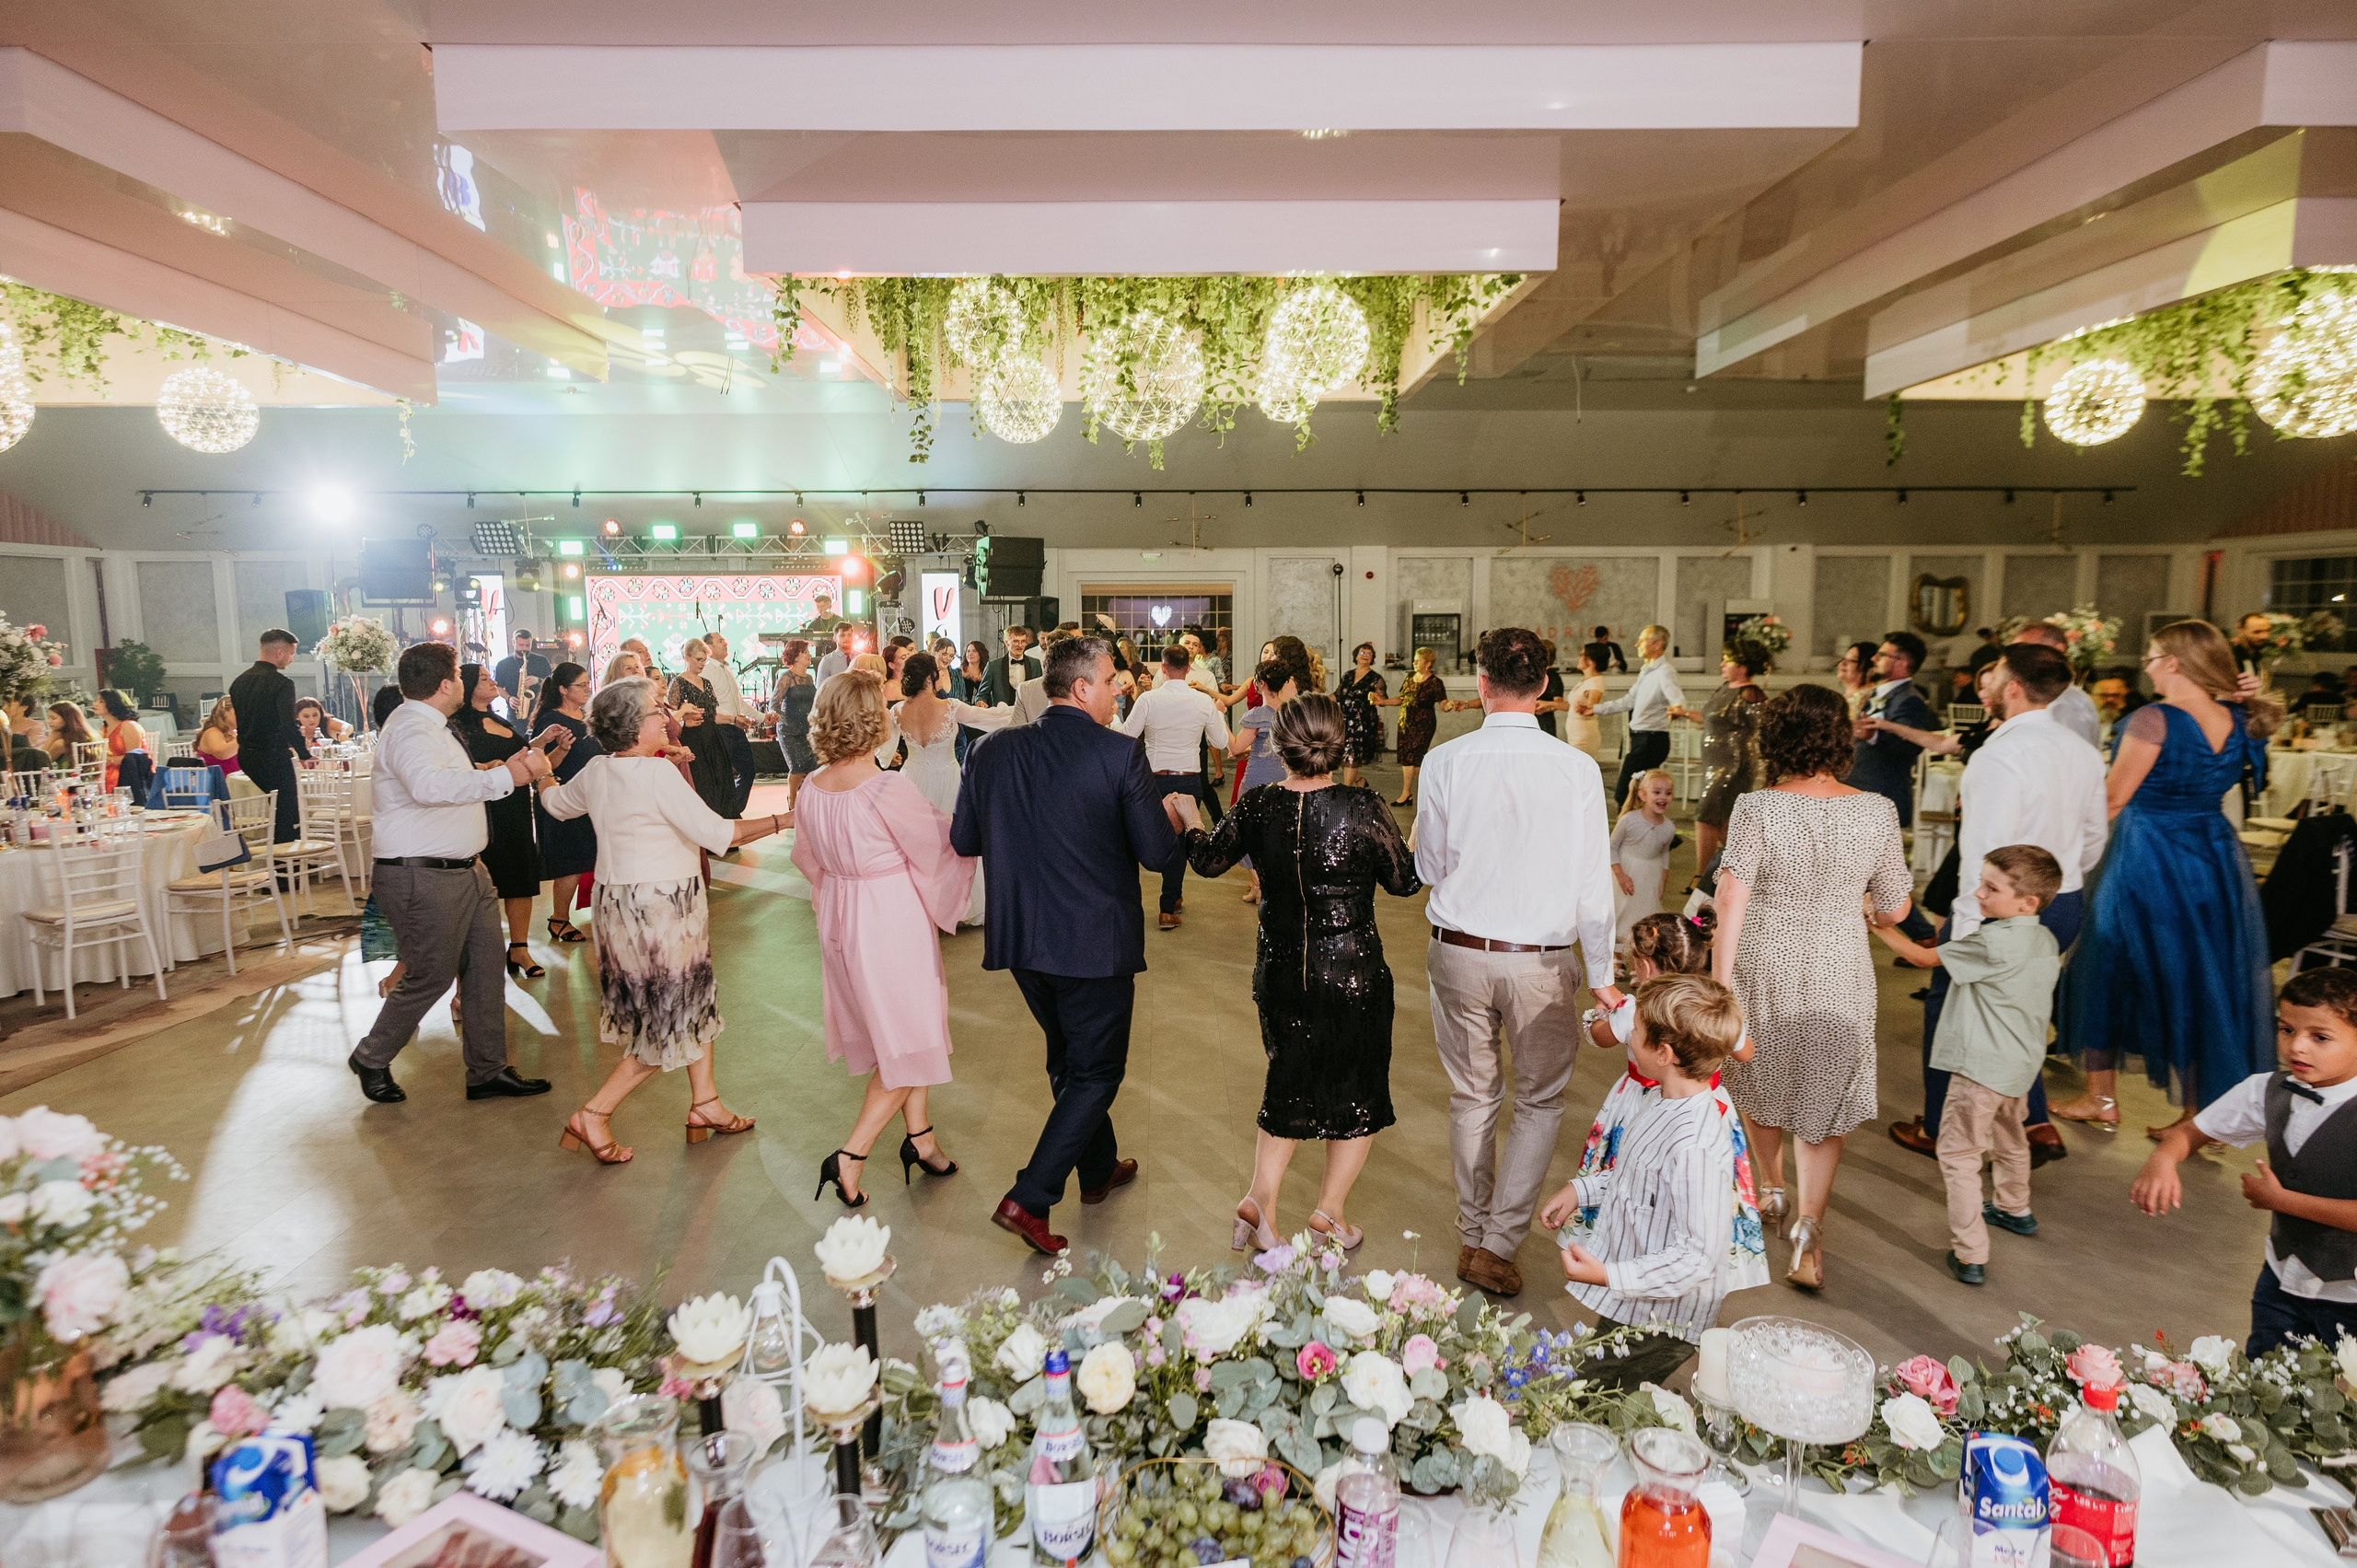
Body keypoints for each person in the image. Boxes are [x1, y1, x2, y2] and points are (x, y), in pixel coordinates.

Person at [951, 634, 1185, 1256]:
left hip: (1023, 937)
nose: (1119, 690)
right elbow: (1157, 853)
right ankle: (1030, 1195)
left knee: (1067, 1058)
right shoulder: (1117, 754)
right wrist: (1179, 819)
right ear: (1081, 687)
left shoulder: (991, 751)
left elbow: (964, 837)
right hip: (1093, 943)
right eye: (1112, 681)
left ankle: (1099, 1166)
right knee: (1097, 1071)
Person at [1169, 694, 1420, 1251]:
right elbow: (1404, 882)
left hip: (1282, 971)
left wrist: (1188, 820)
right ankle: (1330, 1212)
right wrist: (1418, 834)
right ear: (1339, 746)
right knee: (1357, 1090)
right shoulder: (1364, 805)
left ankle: (1261, 1201)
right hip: (1353, 971)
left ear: (1278, 745)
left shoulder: (1259, 804)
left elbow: (1208, 860)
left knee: (1287, 1078)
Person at [1417, 627, 1621, 1297]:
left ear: (1481, 683)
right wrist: (1604, 977)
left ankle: (1473, 1233)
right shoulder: (1576, 769)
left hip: (1460, 954)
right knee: (1538, 1100)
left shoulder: (1446, 761)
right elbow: (1594, 886)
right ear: (1545, 688)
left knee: (1473, 1095)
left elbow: (1428, 865)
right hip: (1542, 960)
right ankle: (1497, 1245)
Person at [1713, 682, 1912, 1292]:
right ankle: (1808, 1241)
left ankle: (1770, 1189)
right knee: (1823, 1108)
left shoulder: (1758, 807)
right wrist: (1858, 904)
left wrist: (1720, 985)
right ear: (1840, 736)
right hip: (1839, 965)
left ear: (1775, 737)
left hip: (1764, 961)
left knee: (1759, 1079)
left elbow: (1730, 897)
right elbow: (1896, 906)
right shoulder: (1877, 810)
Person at [538, 679, 788, 1163]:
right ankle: (594, 1113)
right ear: (635, 726)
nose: (666, 716)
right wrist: (786, 819)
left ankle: (706, 1103)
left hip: (619, 907)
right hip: (662, 907)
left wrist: (541, 773)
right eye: (657, 711)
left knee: (694, 999)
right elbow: (718, 833)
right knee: (666, 1021)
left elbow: (554, 804)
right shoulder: (657, 776)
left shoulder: (597, 770)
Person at [2056, 620, 2279, 1133]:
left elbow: (2112, 800)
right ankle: (2203, 1118)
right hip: (2213, 857)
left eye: (2152, 657)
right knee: (2202, 979)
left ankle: (2102, 1101)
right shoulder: (2238, 718)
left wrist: (2059, 847)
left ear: (2174, 663)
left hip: (2146, 857)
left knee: (2105, 966)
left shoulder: (2153, 719)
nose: (2147, 666)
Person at [1887, 645, 2106, 1160]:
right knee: (2022, 1014)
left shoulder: (2000, 754)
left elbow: (1983, 856)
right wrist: (2064, 875)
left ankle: (1944, 1128)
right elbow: (2095, 835)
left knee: (1952, 1013)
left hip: (2000, 906)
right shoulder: (2081, 750)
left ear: (2012, 688)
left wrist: (1963, 934)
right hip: (2062, 898)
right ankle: (2033, 1125)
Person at [787, 670, 978, 1203]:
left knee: (907, 1033)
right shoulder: (885, 788)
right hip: (888, 919)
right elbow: (944, 843)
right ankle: (849, 1157)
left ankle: (921, 1140)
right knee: (907, 1038)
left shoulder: (812, 789)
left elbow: (807, 860)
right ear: (875, 720)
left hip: (843, 918)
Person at [345, 640, 557, 1107]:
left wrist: (494, 767)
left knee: (485, 971)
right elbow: (427, 786)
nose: (463, 679)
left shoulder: (432, 726)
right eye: (460, 673)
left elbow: (442, 781)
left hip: (463, 869)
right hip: (424, 873)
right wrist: (509, 779)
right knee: (432, 973)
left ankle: (487, 1070)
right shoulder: (411, 729)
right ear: (445, 684)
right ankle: (372, 1054)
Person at [2134, 965, 2357, 1353]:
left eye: (2320, 1037)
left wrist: (2282, 1201)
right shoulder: (2266, 1090)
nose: (2297, 1046)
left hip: (2350, 1296)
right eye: (2287, 1029)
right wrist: (2164, 1158)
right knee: (2262, 1383)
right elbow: (2192, 1131)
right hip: (2280, 1280)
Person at [1871, 846, 2065, 1285]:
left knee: (1959, 1155)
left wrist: (1875, 925)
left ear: (2027, 902)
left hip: (1978, 1071)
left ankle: (1970, 1252)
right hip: (2019, 1068)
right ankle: (2015, 1208)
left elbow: (1924, 959)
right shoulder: (2044, 940)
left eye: (1991, 888)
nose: (1978, 893)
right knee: (2011, 1137)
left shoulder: (1992, 941)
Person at [1542, 973, 1746, 1388]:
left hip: (1664, 1322)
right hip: (1638, 1299)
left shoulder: (1695, 1145)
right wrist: (1580, 1191)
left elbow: (1698, 1256)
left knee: (1593, 1400)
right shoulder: (1660, 1100)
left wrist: (1609, 1277)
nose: (1629, 1034)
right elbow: (1636, 1175)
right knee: (1599, 1392)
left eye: (1635, 1029)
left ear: (1663, 1053)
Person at [1556, 912, 1768, 1301]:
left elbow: (1600, 1037)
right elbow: (1746, 1051)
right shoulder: (1711, 1007)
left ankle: (1623, 1253)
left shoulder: (1636, 1007)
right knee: (1697, 1189)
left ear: (1646, 964)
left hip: (1640, 1104)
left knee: (1637, 1178)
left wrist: (1606, 1011)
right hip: (1707, 1103)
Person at [892, 652, 1011, 928]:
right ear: (931, 676)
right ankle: (953, 904)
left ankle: (918, 904)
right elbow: (990, 718)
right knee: (956, 842)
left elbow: (882, 745)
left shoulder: (897, 710)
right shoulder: (949, 707)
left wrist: (892, 757)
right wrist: (1020, 711)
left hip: (911, 780)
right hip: (948, 778)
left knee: (915, 844)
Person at [1121, 645, 1230, 930]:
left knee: (1148, 836)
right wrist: (1218, 713)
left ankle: (1144, 900)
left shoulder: (1148, 699)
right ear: (1189, 666)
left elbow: (1127, 737)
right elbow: (1219, 742)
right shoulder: (1202, 702)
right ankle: (1168, 907)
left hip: (1154, 778)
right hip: (1188, 778)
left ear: (1164, 668)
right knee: (1180, 842)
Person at [452, 663, 550, 979]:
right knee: (486, 884)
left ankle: (519, 948)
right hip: (485, 810)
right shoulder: (457, 724)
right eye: (484, 678)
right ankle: (481, 956)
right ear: (466, 686)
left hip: (516, 807)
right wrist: (489, 766)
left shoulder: (498, 718)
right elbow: (459, 768)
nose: (493, 681)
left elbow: (522, 757)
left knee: (519, 877)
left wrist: (545, 746)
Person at [529, 663, 598, 947]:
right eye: (581, 686)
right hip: (562, 794)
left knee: (591, 856)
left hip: (591, 795)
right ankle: (559, 918)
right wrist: (562, 748)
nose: (587, 689)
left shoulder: (587, 715)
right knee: (570, 862)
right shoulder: (551, 720)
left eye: (587, 684)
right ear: (562, 690)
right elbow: (541, 766)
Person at [1684, 639, 1768, 872]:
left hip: (1733, 762)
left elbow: (1764, 725)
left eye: (1727, 660)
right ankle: (1732, 870)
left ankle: (1701, 875)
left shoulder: (1751, 693)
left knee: (1705, 815)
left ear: (1742, 667)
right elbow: (1712, 719)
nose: (1722, 664)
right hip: (1715, 762)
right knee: (1723, 821)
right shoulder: (1725, 687)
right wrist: (1684, 714)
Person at [1585, 623, 1682, 812]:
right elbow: (1628, 701)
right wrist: (1595, 709)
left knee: (1624, 792)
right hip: (1643, 740)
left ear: (1657, 644)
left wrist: (1676, 709)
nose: (1637, 644)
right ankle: (1653, 834)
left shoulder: (1665, 671)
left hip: (1652, 740)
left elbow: (1677, 700)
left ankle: (1633, 835)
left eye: (1643, 640)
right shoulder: (1647, 670)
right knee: (1638, 794)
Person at [1848, 631, 1934, 828]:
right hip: (1861, 789)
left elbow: (1911, 746)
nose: (1874, 658)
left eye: (1882, 655)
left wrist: (1873, 736)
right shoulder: (1882, 692)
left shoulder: (1909, 699)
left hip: (1881, 792)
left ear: (1901, 662)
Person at [231, 629, 311, 842]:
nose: (291, 659)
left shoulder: (238, 682)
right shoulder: (282, 684)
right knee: (287, 814)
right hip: (272, 756)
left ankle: (278, 864)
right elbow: (287, 724)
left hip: (246, 756)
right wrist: (304, 753)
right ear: (279, 653)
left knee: (278, 810)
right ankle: (285, 870)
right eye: (291, 653)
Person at [1611, 770, 1677, 958]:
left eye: (1668, 793)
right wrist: (1621, 876)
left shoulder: (1669, 827)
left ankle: (1635, 958)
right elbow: (1611, 848)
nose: (1663, 797)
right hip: (1626, 871)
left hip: (1650, 875)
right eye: (1657, 792)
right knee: (1621, 912)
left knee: (1643, 917)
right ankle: (1616, 957)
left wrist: (1662, 880)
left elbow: (1664, 853)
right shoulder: (1629, 820)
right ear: (1642, 795)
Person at [668, 638, 736, 819]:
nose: (702, 664)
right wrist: (685, 718)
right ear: (687, 657)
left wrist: (733, 719)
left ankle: (725, 827)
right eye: (699, 659)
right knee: (703, 783)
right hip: (693, 739)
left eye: (705, 660)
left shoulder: (706, 682)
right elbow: (669, 717)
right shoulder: (678, 683)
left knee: (721, 780)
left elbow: (712, 715)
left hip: (712, 737)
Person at [2009, 622, 2101, 747]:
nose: (2019, 659)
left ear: (2058, 649)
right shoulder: (2041, 694)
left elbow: (2069, 758)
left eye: (2029, 650)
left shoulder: (2070, 703)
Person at [702, 631, 760, 818]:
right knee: (726, 774)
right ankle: (730, 812)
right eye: (720, 641)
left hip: (735, 727)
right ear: (709, 647)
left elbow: (738, 701)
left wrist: (761, 717)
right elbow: (708, 707)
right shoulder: (707, 670)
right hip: (721, 728)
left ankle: (732, 809)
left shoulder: (726, 668)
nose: (726, 643)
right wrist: (732, 719)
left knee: (748, 769)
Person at [1386, 646, 1445, 807]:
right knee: (1411, 759)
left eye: (1418, 661)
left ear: (1428, 663)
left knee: (1413, 755)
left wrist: (1454, 705)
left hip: (1423, 723)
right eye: (1414, 660)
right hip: (1406, 721)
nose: (1414, 663)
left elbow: (1443, 703)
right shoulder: (1410, 677)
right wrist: (1383, 702)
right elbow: (1402, 698)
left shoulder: (1435, 682)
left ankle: (1408, 792)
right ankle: (1417, 793)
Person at [771, 639, 819, 812]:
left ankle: (807, 802)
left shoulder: (809, 678)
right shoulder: (786, 677)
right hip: (790, 730)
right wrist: (785, 720)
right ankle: (792, 799)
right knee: (797, 766)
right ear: (796, 656)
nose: (809, 655)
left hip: (808, 729)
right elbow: (774, 703)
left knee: (811, 766)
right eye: (805, 652)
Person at [1335, 643, 1388, 789]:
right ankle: (1359, 781)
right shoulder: (1348, 675)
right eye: (1362, 653)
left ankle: (1346, 790)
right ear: (1356, 656)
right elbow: (1338, 695)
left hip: (1362, 722)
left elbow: (1383, 701)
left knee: (1352, 754)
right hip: (1345, 720)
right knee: (1341, 756)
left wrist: (1377, 697)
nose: (1365, 656)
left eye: (1369, 654)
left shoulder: (1376, 678)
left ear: (1372, 658)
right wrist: (1319, 701)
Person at [1562, 646, 1608, 768]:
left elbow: (1591, 707)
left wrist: (1587, 708)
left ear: (1591, 661)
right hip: (1576, 734)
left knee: (1579, 770)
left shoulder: (1595, 682)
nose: (1578, 657)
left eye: (1581, 655)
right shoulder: (1587, 680)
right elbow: (1572, 706)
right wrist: (1549, 705)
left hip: (1584, 736)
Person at [96, 690, 148, 793]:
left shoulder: (129, 726)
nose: (95, 704)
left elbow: (134, 759)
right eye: (96, 700)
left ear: (114, 704)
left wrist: (107, 760)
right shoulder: (104, 729)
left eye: (101, 701)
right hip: (108, 770)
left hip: (129, 774)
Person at [981, 625, 1039, 706]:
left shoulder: (1035, 664)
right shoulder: (993, 666)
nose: (1020, 645)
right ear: (1006, 642)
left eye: (1023, 641)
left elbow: (1039, 692)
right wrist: (981, 701)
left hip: (1028, 714)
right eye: (1015, 641)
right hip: (1001, 714)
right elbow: (982, 694)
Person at [493, 630, 551, 712]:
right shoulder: (503, 664)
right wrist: (509, 698)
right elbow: (498, 687)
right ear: (513, 642)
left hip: (539, 710)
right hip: (515, 710)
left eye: (527, 645)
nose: (524, 649)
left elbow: (552, 682)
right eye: (521, 645)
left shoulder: (542, 661)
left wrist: (538, 680)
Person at [1532, 641, 1571, 738]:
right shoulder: (1540, 675)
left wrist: (1545, 706)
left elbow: (1558, 702)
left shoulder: (1552, 676)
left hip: (1544, 723)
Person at [194, 696, 239, 776]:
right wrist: (246, 737)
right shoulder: (212, 732)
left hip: (234, 781)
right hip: (217, 783)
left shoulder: (234, 734)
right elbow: (221, 753)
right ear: (224, 712)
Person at [1834, 640, 1879, 720]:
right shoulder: (1849, 696)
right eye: (1843, 659)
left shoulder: (1869, 697)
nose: (1843, 663)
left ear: (1870, 668)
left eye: (1852, 661)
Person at [41, 701, 92, 765]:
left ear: (67, 719)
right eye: (49, 718)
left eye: (53, 718)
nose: (48, 721)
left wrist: (51, 738)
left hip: (68, 774)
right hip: (89, 774)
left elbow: (40, 763)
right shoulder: (86, 736)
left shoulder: (61, 744)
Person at [815, 623, 860, 687]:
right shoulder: (827, 661)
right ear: (835, 638)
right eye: (842, 635)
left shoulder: (861, 657)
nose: (847, 638)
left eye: (849, 635)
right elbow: (821, 688)